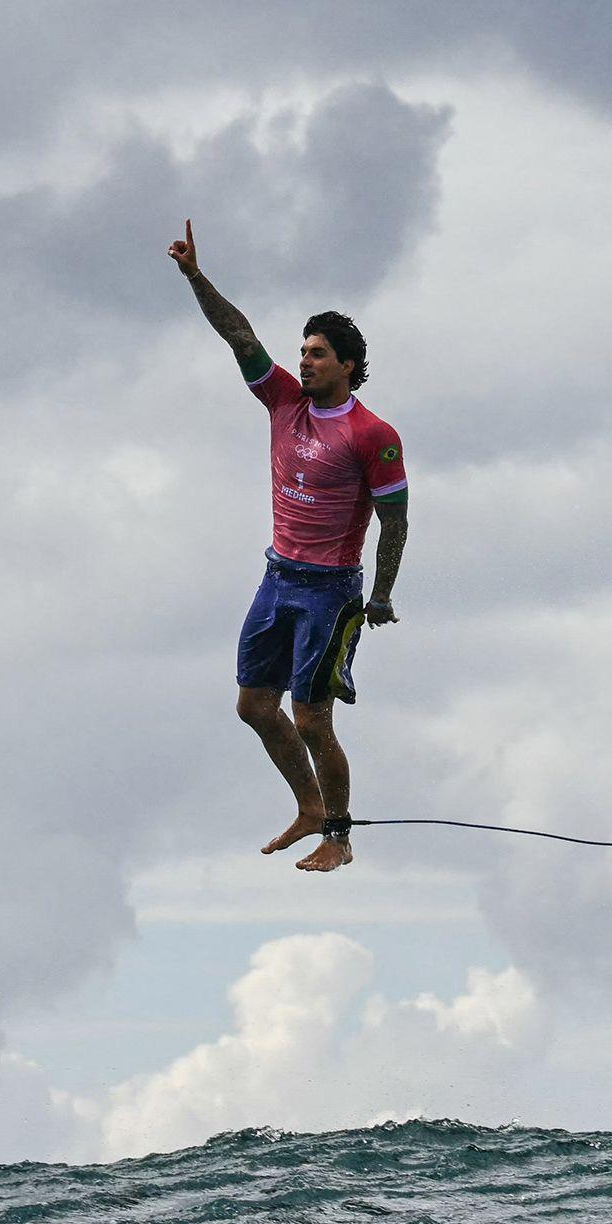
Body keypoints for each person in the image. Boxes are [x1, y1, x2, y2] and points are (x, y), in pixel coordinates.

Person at [168, 220, 409, 873]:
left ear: (348, 366)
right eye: (302, 351)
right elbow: (237, 334)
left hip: (331, 592)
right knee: (253, 705)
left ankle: (338, 834)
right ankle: (307, 805)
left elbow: (396, 519)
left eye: (318, 354)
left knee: (311, 718)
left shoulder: (372, 434)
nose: (304, 361)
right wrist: (195, 277)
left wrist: (382, 593)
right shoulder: (282, 401)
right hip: (278, 578)